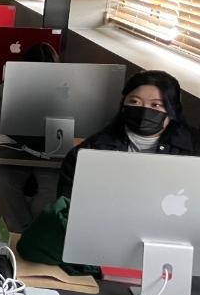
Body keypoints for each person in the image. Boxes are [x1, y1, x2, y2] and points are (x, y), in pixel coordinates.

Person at [58, 70, 200, 199]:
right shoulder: (90, 150)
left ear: (172, 111)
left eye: (156, 105)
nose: (144, 110)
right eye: (134, 101)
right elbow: (68, 202)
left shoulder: (195, 148)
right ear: (123, 104)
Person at [0, 43, 61, 232]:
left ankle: (33, 231)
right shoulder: (5, 90)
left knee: (52, 192)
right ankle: (23, 231)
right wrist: (17, 121)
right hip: (13, 150)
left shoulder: (64, 92)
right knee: (3, 183)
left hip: (51, 154)